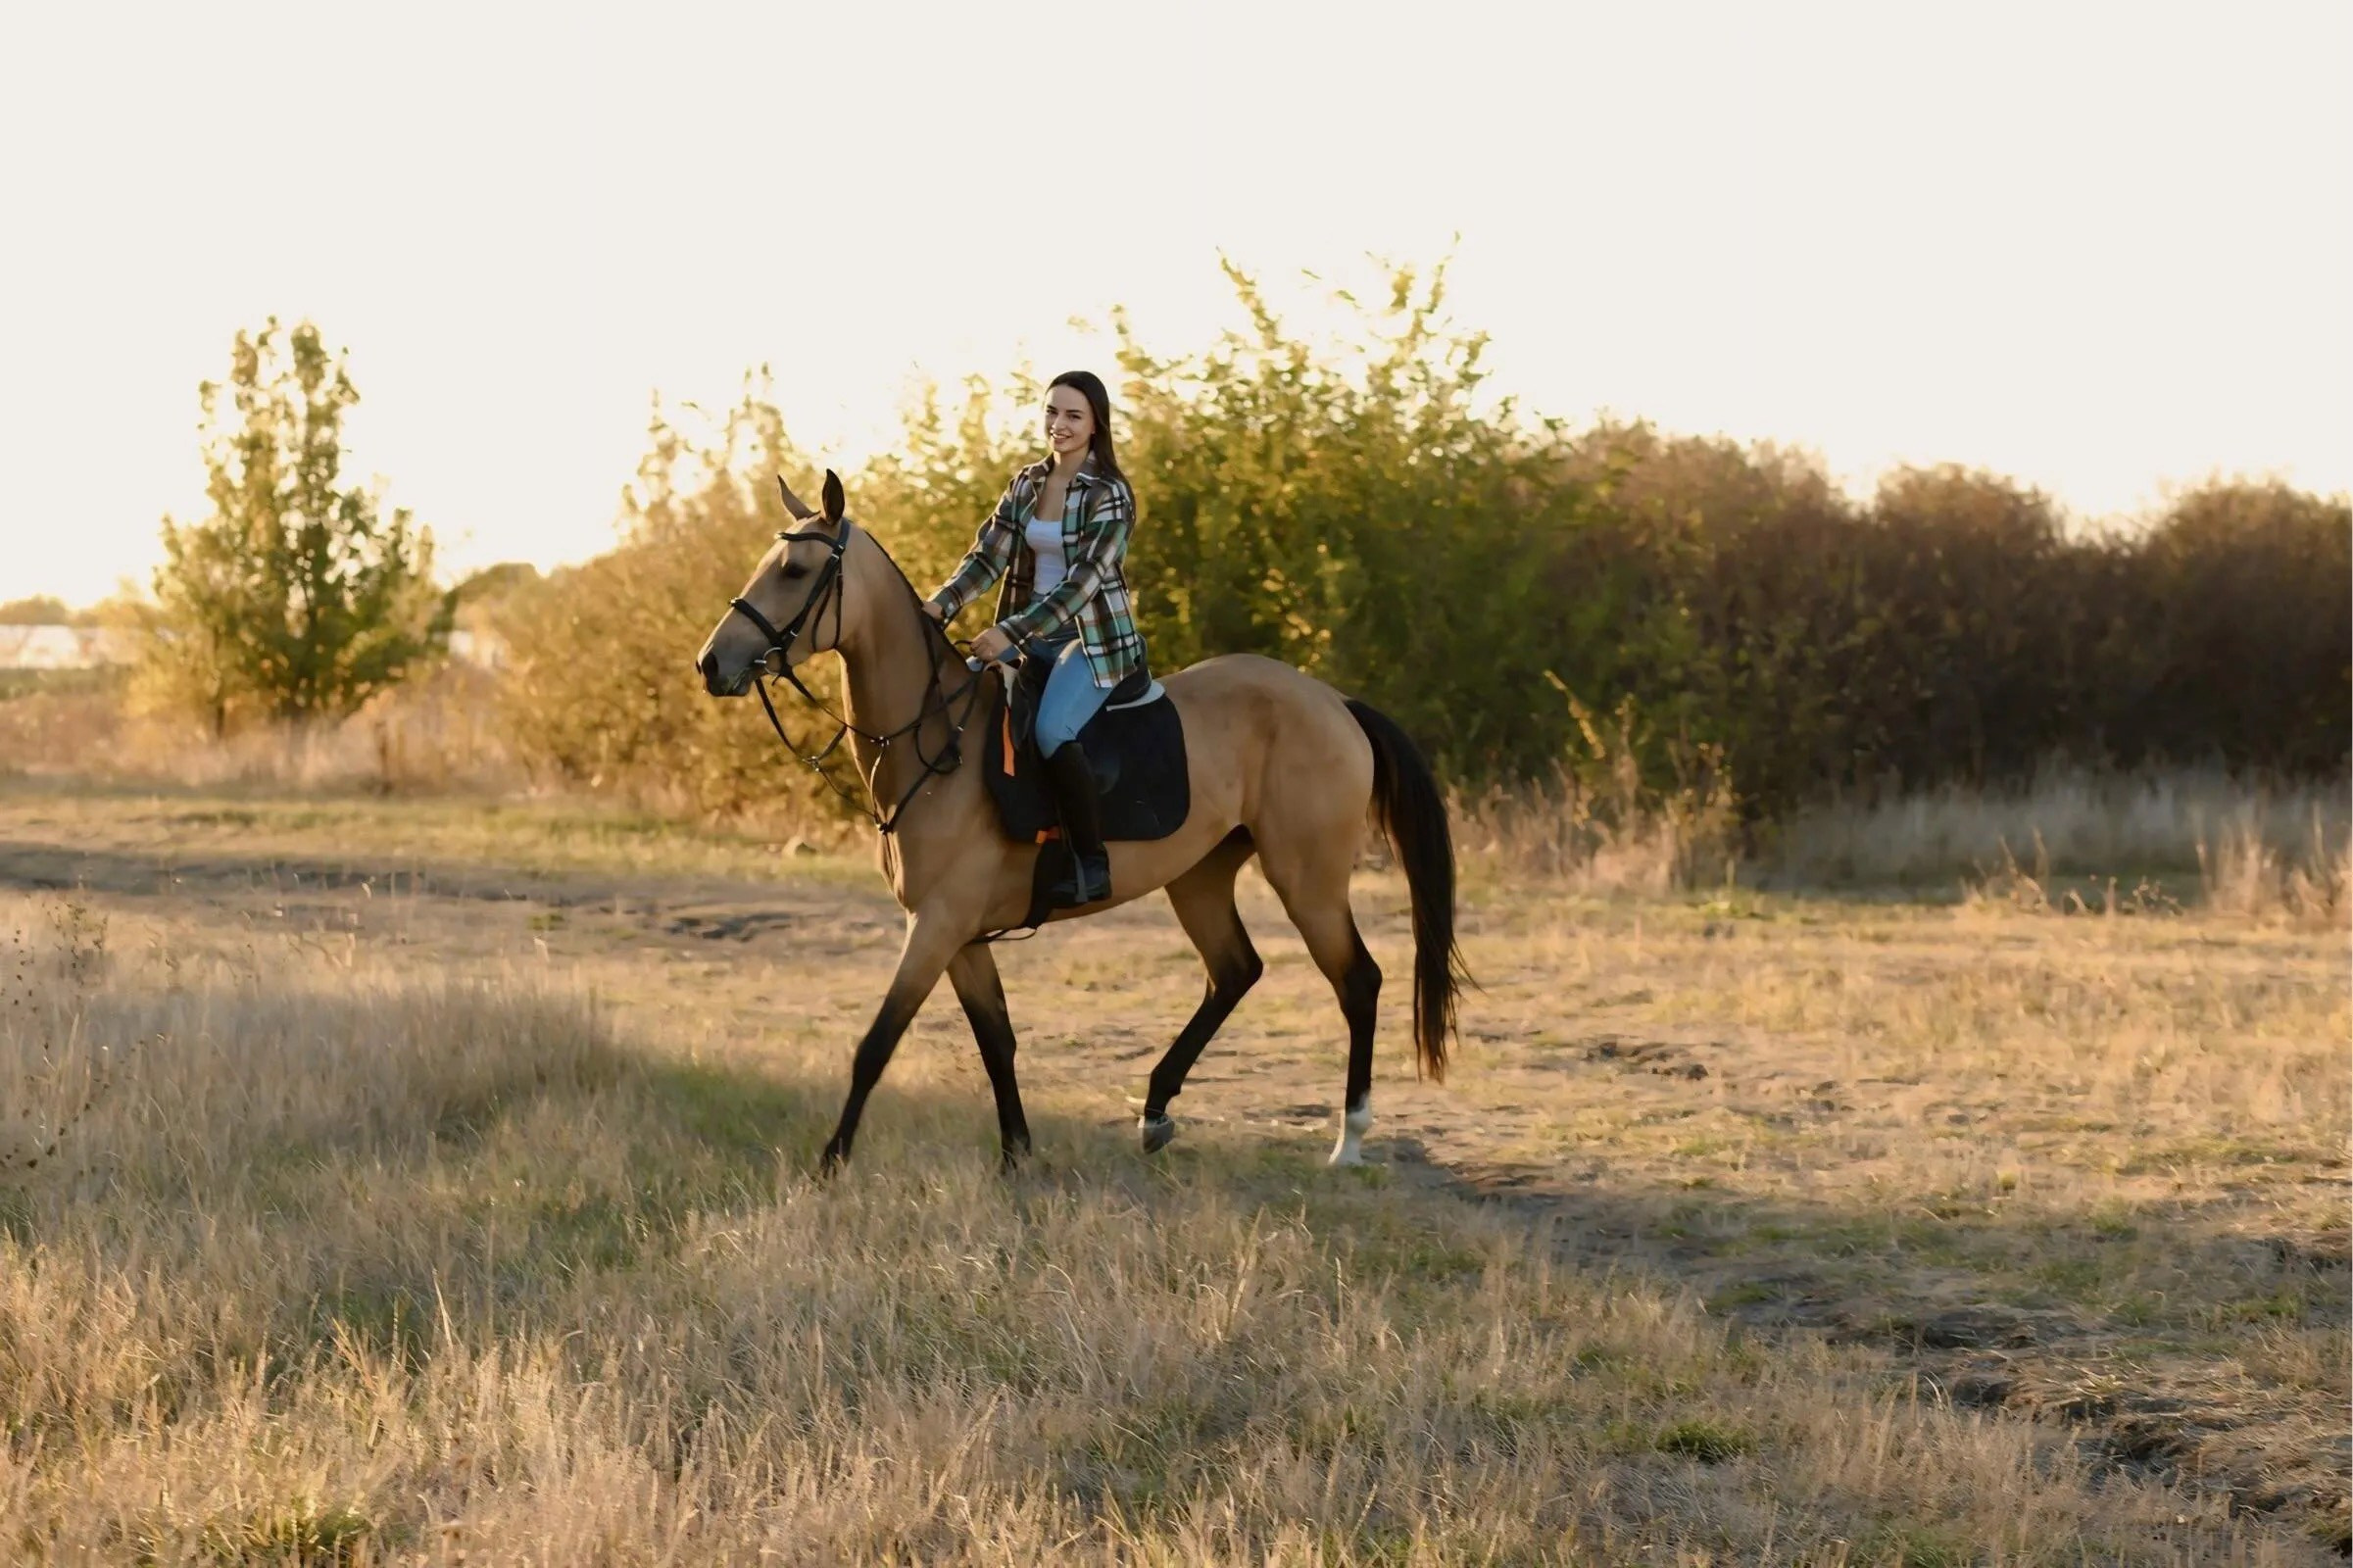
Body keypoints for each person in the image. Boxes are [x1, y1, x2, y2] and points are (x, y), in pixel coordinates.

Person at [923, 370, 1146, 906]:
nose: (1059, 425)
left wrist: (1008, 631)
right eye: (1052, 412)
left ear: (1096, 425)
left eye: (1073, 415)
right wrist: (938, 606)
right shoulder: (1026, 483)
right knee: (955, 707)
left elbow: (1082, 584)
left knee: (1049, 730)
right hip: (1027, 642)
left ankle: (1091, 862)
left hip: (1090, 642)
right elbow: (987, 556)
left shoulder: (1110, 494)